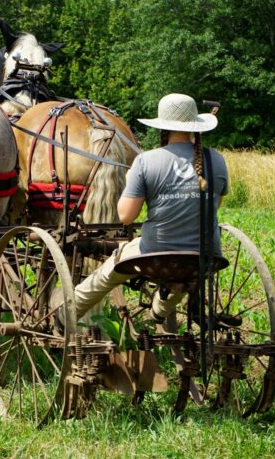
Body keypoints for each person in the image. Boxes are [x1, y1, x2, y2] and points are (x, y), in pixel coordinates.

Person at [73, 93, 229, 321]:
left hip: (155, 253)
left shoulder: (146, 161)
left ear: (162, 128)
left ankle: (67, 313)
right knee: (186, 271)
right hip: (207, 256)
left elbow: (126, 217)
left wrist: (133, 187)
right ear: (196, 126)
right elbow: (214, 206)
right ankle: (160, 309)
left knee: (107, 273)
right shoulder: (217, 160)